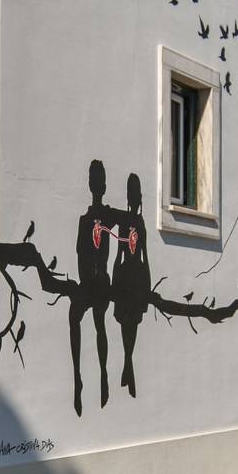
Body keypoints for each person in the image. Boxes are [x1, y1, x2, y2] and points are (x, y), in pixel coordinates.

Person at [69, 159, 115, 415]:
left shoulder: (104, 217)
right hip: (89, 282)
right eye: (94, 181)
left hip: (101, 282)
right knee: (76, 319)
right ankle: (78, 379)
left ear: (103, 185)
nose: (96, 185)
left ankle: (103, 374)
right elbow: (79, 253)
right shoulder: (85, 219)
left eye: (98, 181)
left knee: (99, 323)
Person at [111, 173, 150, 397]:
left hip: (136, 277)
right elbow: (118, 254)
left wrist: (148, 285)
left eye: (136, 194)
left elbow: (146, 256)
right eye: (131, 194)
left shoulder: (140, 222)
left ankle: (128, 365)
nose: (134, 199)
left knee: (132, 325)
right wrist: (115, 282)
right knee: (127, 324)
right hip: (126, 276)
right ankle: (128, 367)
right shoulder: (125, 222)